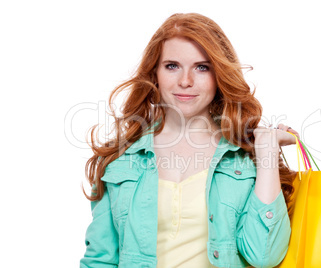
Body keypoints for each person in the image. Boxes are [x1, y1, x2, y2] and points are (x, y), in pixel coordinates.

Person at [80, 13, 300, 268]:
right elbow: (99, 261)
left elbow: (264, 256)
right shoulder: (119, 161)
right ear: (155, 73)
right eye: (172, 66)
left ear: (219, 75)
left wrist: (267, 152)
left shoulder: (246, 158)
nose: (185, 81)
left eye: (202, 67)